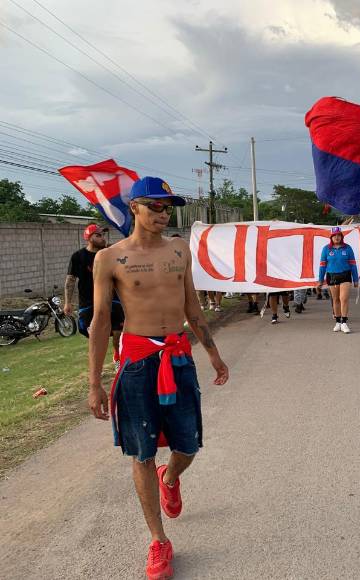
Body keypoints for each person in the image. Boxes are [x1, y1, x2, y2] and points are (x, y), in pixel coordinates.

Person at [87, 176, 229, 580]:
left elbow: (193, 308)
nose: (163, 213)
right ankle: (159, 542)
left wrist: (215, 356)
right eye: (155, 205)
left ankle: (172, 477)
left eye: (168, 207)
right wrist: (94, 382)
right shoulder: (110, 258)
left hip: (178, 357)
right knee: (142, 452)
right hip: (137, 362)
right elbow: (100, 321)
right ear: (134, 207)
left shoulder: (180, 250)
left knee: (187, 445)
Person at [64, 224, 125, 371]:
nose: (102, 238)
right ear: (88, 238)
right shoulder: (78, 257)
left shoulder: (109, 253)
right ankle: (96, 370)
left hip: (112, 299)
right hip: (89, 303)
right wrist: (67, 302)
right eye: (98, 235)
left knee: (118, 331)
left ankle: (118, 358)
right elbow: (70, 280)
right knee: (97, 338)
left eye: (103, 235)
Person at [317, 226, 358, 334]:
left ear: (341, 237)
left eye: (339, 235)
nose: (337, 237)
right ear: (331, 237)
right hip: (332, 277)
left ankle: (344, 322)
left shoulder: (348, 248)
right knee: (335, 300)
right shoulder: (326, 249)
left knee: (343, 298)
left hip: (345, 276)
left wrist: (356, 278)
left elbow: (353, 264)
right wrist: (320, 280)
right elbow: (322, 265)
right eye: (334, 235)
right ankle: (337, 322)